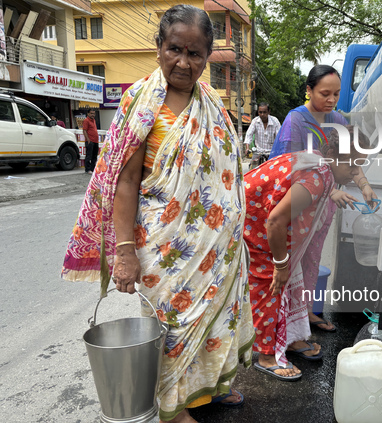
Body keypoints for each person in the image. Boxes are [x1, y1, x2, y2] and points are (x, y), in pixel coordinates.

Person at [62, 5, 254, 423]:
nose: (183, 62)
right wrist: (125, 252)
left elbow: (225, 176)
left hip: (214, 249)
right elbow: (124, 182)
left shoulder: (213, 105)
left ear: (206, 57)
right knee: (172, 330)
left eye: (195, 54)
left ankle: (204, 392)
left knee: (212, 323)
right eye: (174, 50)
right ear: (158, 49)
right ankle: (172, 407)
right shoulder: (140, 102)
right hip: (164, 247)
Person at [245, 126, 370, 380]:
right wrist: (280, 265)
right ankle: (266, 355)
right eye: (353, 167)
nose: (356, 174)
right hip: (253, 221)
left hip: (262, 218)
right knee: (271, 283)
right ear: (333, 154)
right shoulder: (315, 180)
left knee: (290, 279)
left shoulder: (324, 166)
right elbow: (275, 222)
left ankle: (289, 340)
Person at [269, 65, 377, 332]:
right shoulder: (296, 121)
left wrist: (363, 185)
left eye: (336, 94)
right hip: (299, 203)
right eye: (324, 93)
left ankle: (305, 314)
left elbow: (352, 158)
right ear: (308, 90)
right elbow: (286, 169)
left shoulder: (338, 121)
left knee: (312, 259)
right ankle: (284, 324)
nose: (331, 100)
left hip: (324, 206)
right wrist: (330, 189)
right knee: (291, 262)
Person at [243, 102, 281, 168]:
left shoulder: (275, 121)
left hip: (272, 152)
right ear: (258, 112)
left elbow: (279, 137)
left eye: (264, 112)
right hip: (258, 151)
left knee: (277, 170)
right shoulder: (255, 121)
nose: (262, 114)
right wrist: (247, 148)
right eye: (260, 112)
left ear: (269, 112)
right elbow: (249, 134)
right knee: (252, 170)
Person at [82, 110, 99, 174]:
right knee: (89, 155)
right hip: (90, 141)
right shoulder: (86, 120)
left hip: (95, 141)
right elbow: (84, 131)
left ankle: (92, 168)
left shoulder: (94, 120)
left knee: (94, 156)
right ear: (88, 113)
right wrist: (88, 140)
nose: (93, 115)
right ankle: (88, 169)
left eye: (94, 113)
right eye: (91, 113)